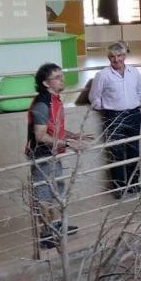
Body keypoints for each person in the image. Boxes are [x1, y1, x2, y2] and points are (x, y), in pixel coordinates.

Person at [27, 63, 91, 249]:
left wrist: (72, 135)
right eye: (57, 77)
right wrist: (70, 144)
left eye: (61, 76)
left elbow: (54, 130)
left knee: (57, 192)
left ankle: (56, 226)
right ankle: (47, 235)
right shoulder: (41, 103)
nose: (62, 79)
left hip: (53, 155)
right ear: (46, 83)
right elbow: (40, 136)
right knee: (45, 196)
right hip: (42, 158)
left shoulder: (55, 100)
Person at [88, 42, 141, 198]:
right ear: (108, 58)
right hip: (114, 116)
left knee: (133, 149)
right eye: (112, 56)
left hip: (134, 115)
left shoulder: (134, 72)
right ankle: (118, 187)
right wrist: (106, 107)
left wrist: (133, 104)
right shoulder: (103, 75)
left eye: (119, 55)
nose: (116, 59)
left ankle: (133, 183)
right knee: (116, 151)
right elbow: (94, 97)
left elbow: (140, 92)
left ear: (124, 56)